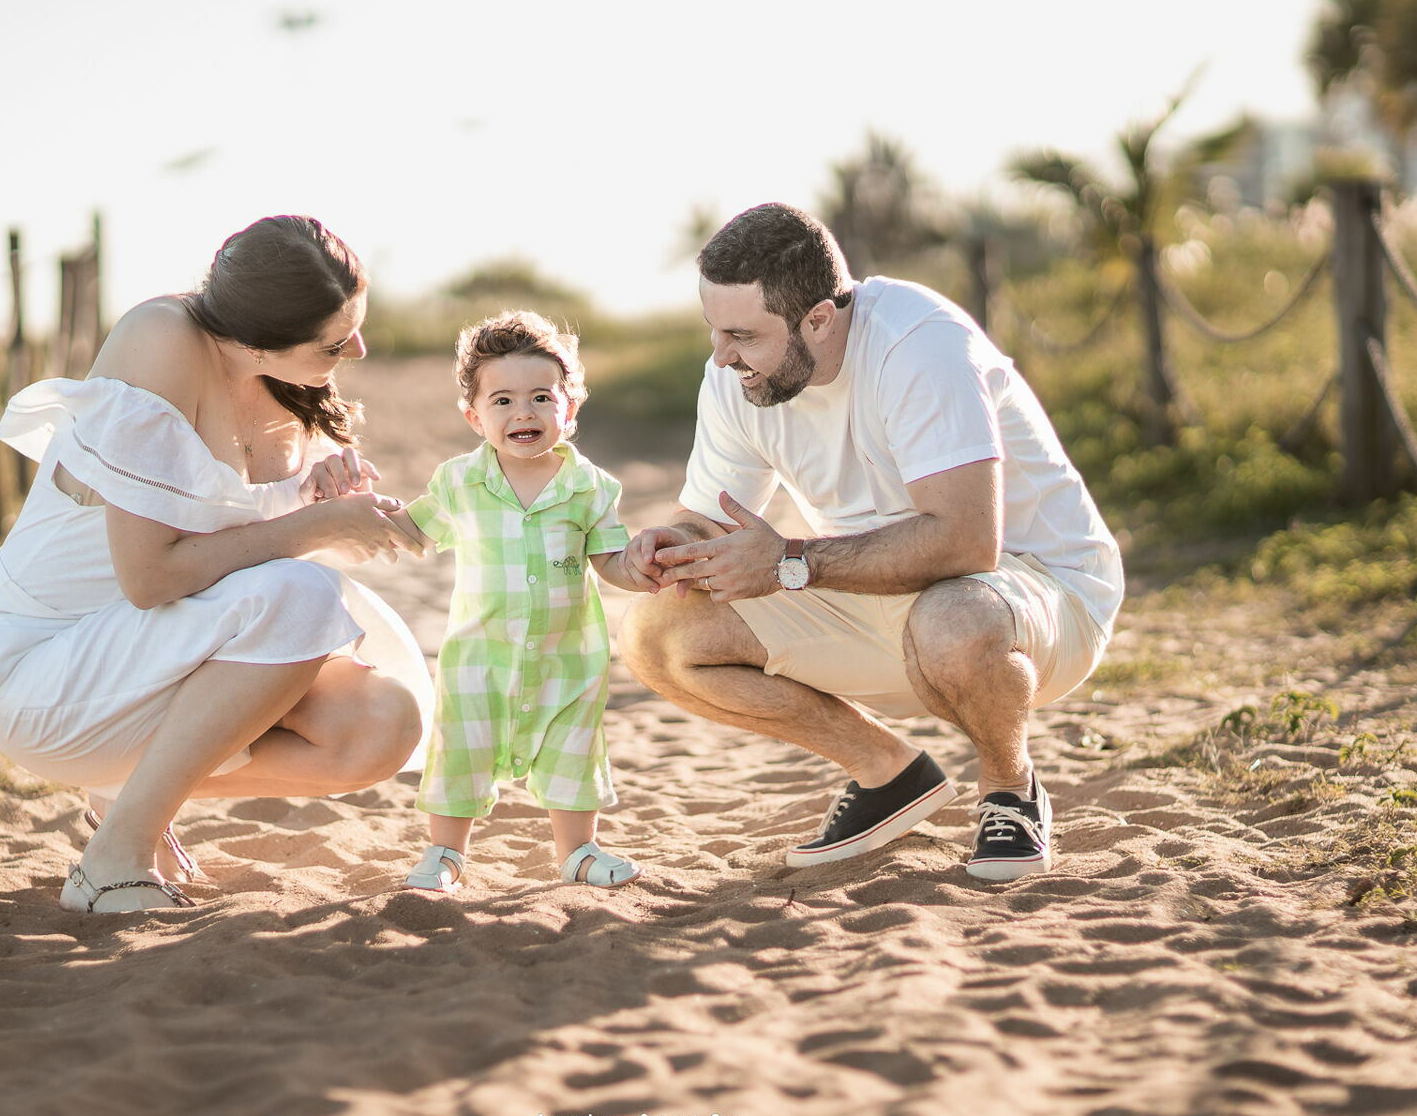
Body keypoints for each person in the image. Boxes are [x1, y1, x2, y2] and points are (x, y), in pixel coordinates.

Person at [619, 203, 1123, 881]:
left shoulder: (920, 344)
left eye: (741, 334)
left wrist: (792, 562)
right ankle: (886, 772)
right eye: (714, 329)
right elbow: (706, 519)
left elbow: (967, 543)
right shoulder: (739, 377)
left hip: (1035, 598)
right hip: (876, 595)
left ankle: (1010, 789)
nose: (721, 355)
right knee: (655, 631)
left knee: (953, 617)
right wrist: (667, 545)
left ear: (819, 319)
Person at [0, 215, 431, 914]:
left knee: (382, 725)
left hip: (157, 664)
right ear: (255, 334)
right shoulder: (160, 341)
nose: (357, 348)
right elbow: (151, 580)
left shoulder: (278, 379)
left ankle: (126, 797)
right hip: (42, 673)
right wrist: (316, 525)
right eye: (334, 340)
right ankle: (117, 853)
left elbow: (230, 525)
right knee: (302, 593)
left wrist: (321, 479)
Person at [390, 311, 651, 892]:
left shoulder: (590, 488)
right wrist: (361, 509)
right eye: (502, 400)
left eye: (540, 397)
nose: (523, 413)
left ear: (570, 407)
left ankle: (578, 851)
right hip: (479, 658)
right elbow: (411, 533)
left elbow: (612, 561)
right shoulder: (458, 483)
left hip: (568, 659)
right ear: (474, 415)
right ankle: (444, 854)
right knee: (462, 752)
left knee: (572, 756)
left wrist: (648, 569)